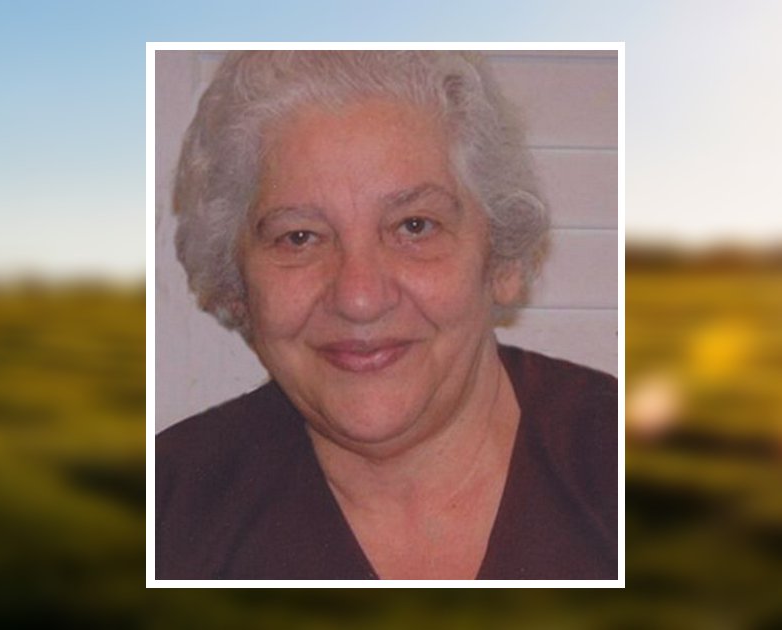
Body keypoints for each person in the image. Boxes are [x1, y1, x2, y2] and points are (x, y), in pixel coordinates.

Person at [156, 51, 617, 580]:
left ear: (501, 260)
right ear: (238, 286)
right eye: (299, 237)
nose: (360, 298)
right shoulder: (164, 514)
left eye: (414, 226)